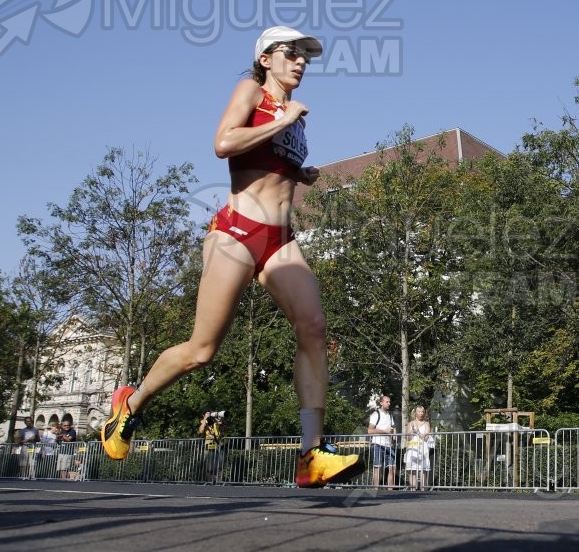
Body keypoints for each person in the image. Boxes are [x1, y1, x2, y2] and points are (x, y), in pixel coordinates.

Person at [101, 25, 364, 489]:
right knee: (202, 351)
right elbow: (223, 143)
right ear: (266, 58)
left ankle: (311, 453)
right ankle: (131, 402)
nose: (301, 61)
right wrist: (282, 122)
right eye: (291, 53)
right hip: (236, 232)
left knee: (314, 327)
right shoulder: (252, 92)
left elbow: (266, 164)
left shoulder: (295, 117)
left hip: (280, 237)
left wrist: (299, 173)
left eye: (306, 56)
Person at [368, 395, 397, 489]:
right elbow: (370, 431)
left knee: (392, 468)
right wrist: (385, 431)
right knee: (377, 467)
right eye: (387, 402)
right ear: (381, 403)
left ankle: (390, 490)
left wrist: (394, 435)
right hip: (378, 444)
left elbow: (393, 426)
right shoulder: (376, 414)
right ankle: (375, 489)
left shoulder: (390, 415)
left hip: (389, 445)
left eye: (389, 402)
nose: (389, 403)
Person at [403, 405, 431, 491]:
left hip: (423, 449)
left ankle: (423, 490)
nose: (421, 413)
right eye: (419, 411)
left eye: (423, 411)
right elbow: (408, 438)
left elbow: (426, 438)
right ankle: (412, 490)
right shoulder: (410, 423)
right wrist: (412, 431)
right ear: (415, 413)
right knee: (412, 471)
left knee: (423, 471)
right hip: (412, 448)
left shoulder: (426, 423)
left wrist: (418, 432)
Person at [198, 410, 225, 483]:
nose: (209, 414)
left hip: (218, 445)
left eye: (209, 413)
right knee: (209, 467)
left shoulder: (214, 422)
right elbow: (200, 431)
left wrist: (220, 420)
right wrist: (205, 419)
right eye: (207, 413)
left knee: (219, 466)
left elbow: (223, 429)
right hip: (209, 446)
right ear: (203, 415)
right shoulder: (202, 422)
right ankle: (209, 482)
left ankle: (219, 481)